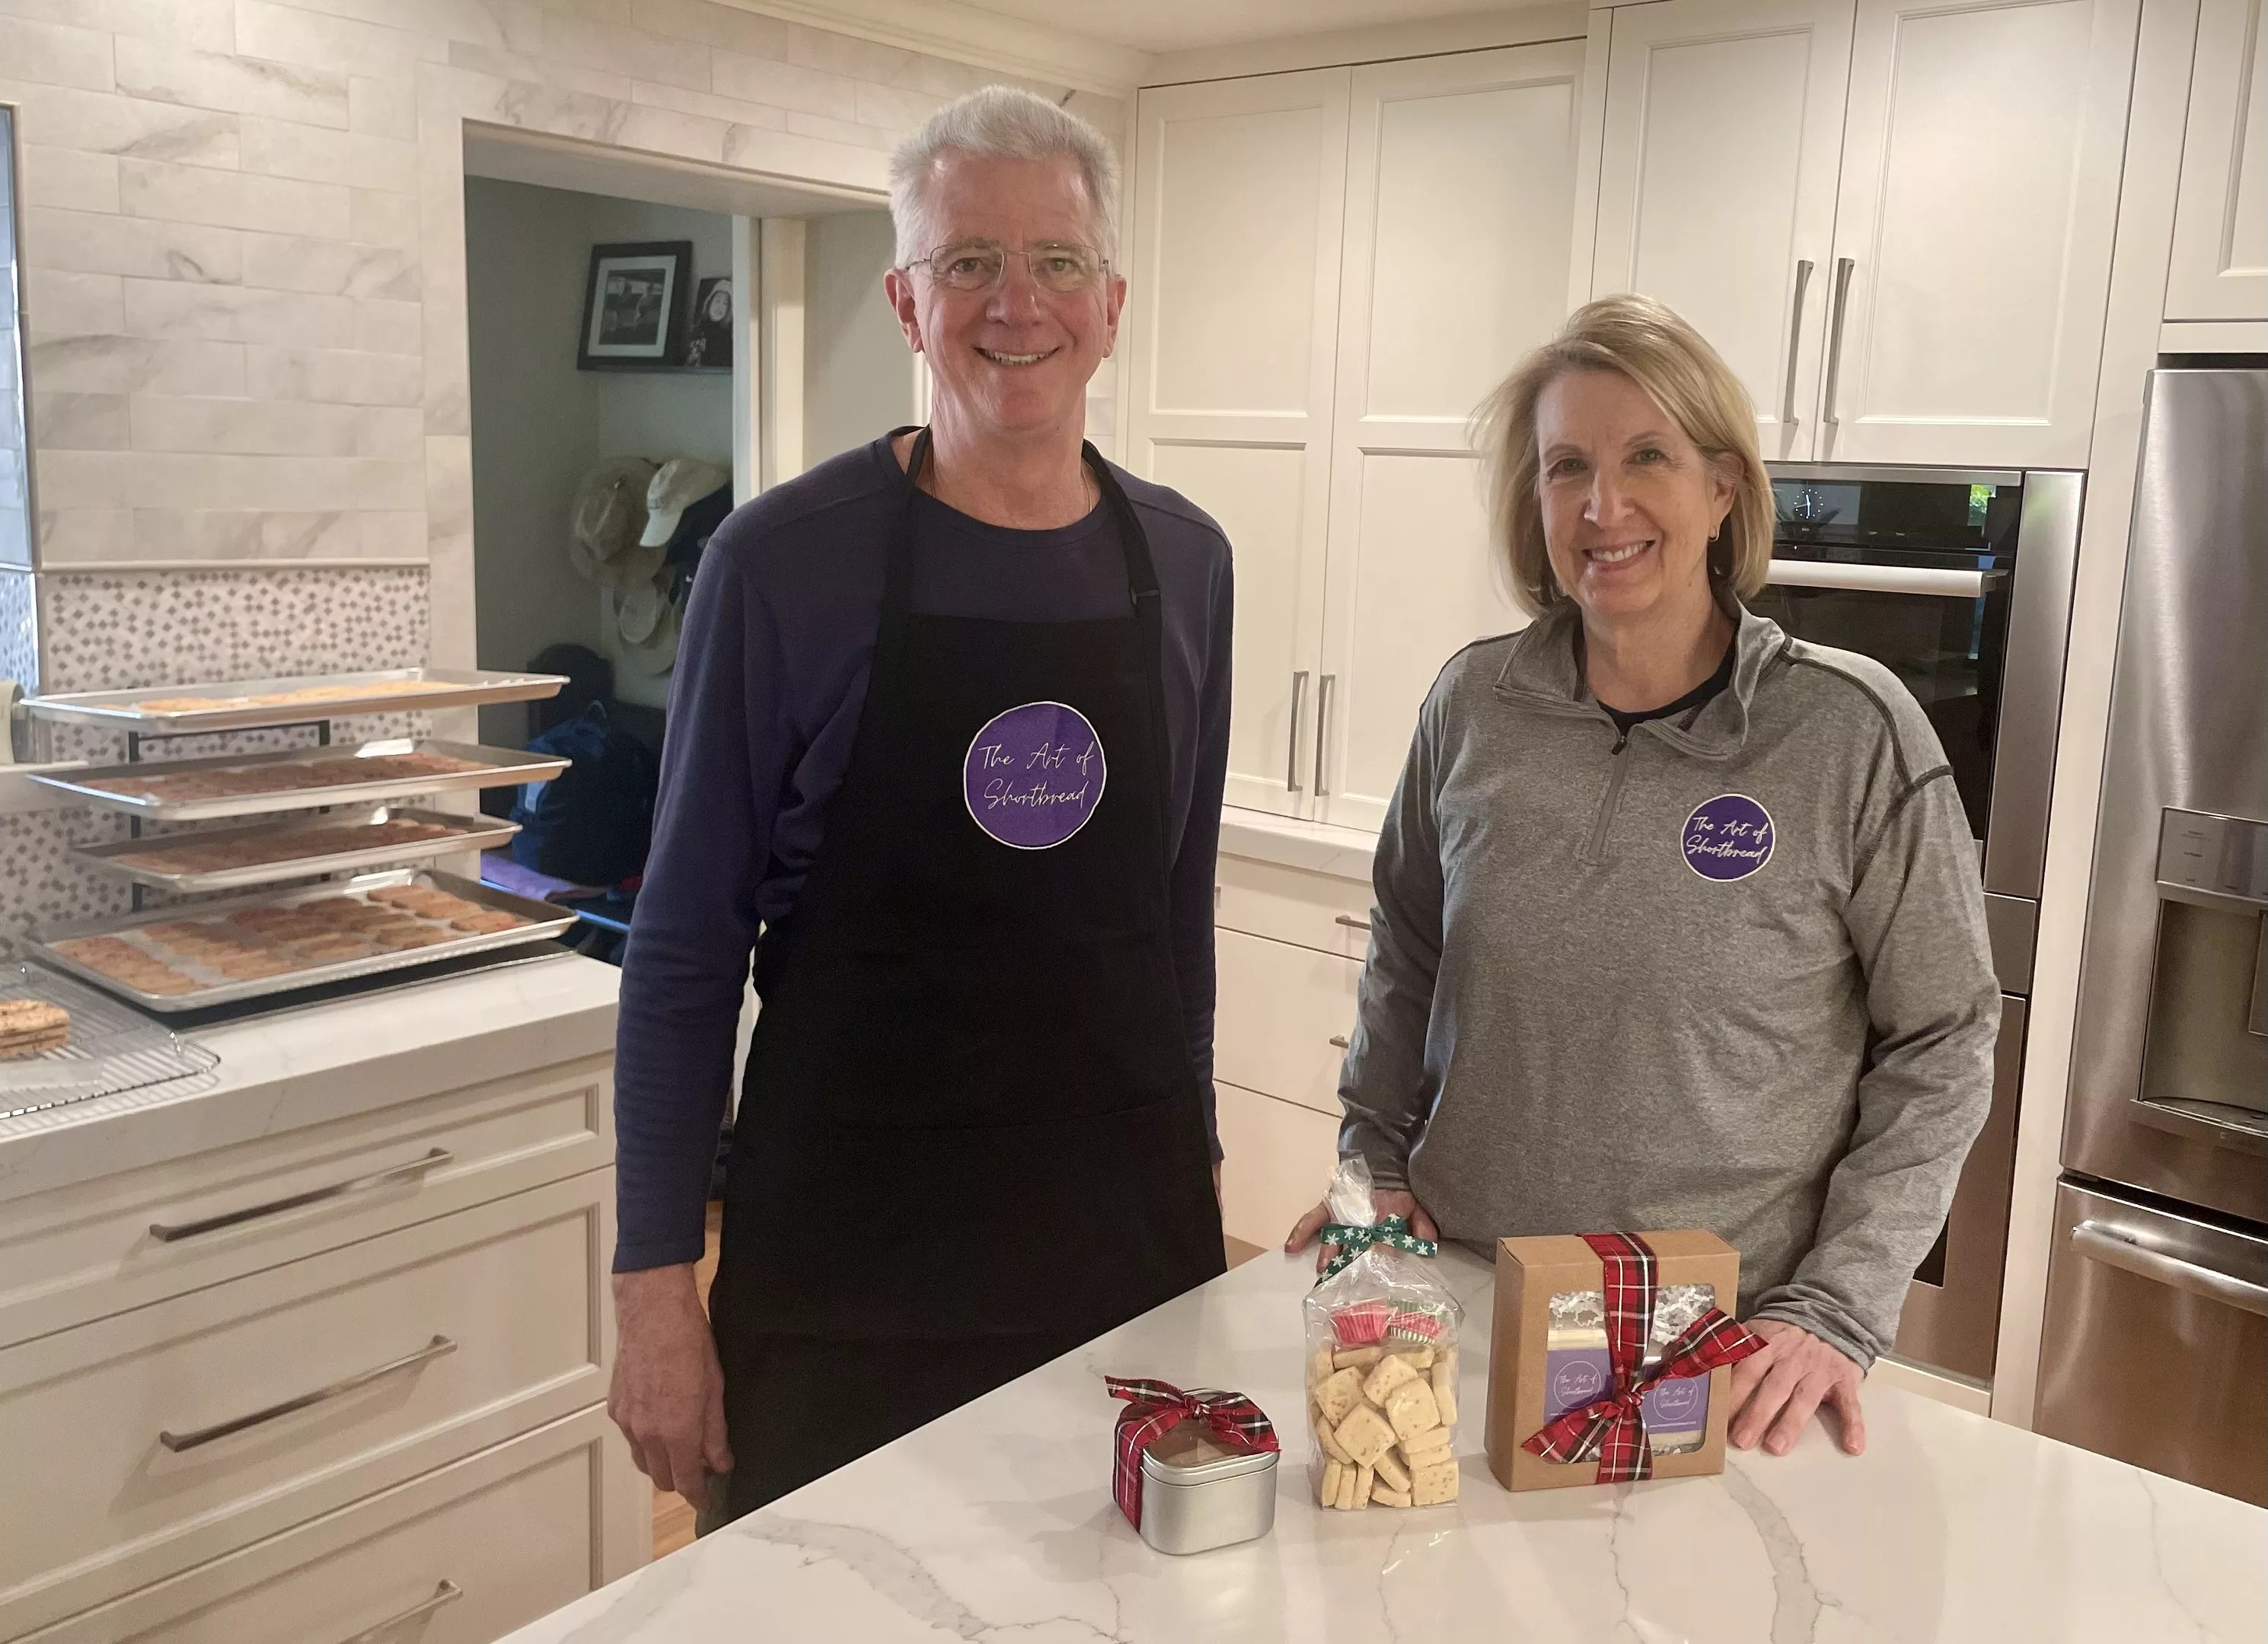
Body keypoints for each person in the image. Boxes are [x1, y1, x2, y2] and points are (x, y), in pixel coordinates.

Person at [608, 85, 1235, 1525]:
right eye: (969, 262)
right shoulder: (780, 564)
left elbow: (1174, 913)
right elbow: (688, 946)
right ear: (905, 300)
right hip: (847, 1259)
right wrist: (655, 1285)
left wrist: (1197, 1159)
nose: (1017, 303)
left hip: (1120, 1248)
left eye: (1057, 261)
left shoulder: (1187, 564)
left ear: (1113, 300)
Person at [1289, 295, 1998, 1461]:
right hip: (1461, 1302)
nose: (1601, 507)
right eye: (1567, 465)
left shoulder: (1848, 732)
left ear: (1723, 487)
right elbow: (1409, 952)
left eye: (1647, 457)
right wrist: (1371, 1167)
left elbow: (1946, 1035)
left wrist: (1837, 1304)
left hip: (1717, 1351)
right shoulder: (1473, 708)